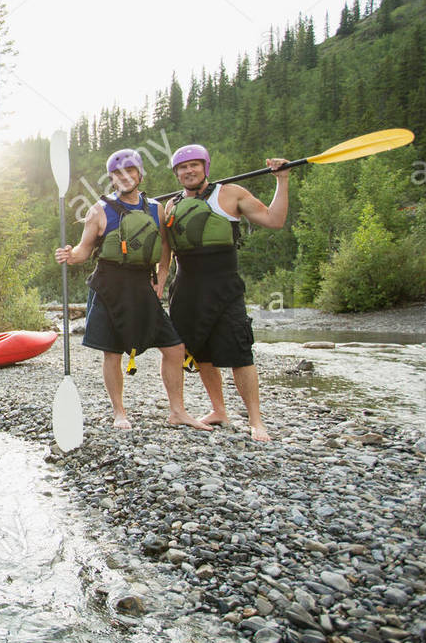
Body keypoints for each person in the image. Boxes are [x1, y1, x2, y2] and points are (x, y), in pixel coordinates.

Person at [55, 149, 210, 432]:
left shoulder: (155, 209)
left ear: (139, 174)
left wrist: (160, 283)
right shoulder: (98, 211)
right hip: (109, 285)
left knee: (174, 348)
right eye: (118, 174)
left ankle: (177, 411)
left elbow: (165, 250)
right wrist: (70, 254)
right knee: (112, 352)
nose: (124, 178)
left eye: (130, 172)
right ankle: (119, 412)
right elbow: (83, 250)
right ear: (112, 178)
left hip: (142, 285)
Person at [163, 144, 290, 442]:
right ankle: (219, 410)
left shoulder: (231, 193)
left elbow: (274, 220)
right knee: (200, 351)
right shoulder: (171, 205)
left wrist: (281, 180)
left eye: (194, 165)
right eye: (182, 167)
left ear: (205, 167)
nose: (189, 171)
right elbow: (166, 251)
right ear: (176, 173)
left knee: (240, 353)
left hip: (224, 286)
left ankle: (257, 422)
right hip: (185, 287)